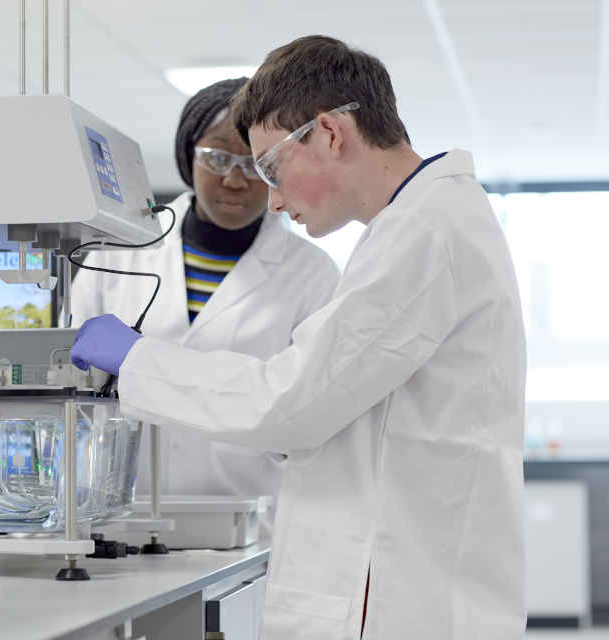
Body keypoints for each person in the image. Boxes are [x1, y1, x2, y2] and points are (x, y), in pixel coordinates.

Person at [71, 35, 526, 639]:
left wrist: (138, 362)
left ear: (330, 134)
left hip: (403, 596)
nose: (274, 199)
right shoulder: (416, 225)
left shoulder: (425, 233)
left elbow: (289, 402)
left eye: (270, 169)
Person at [70, 78, 339, 534]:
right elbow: (72, 395)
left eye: (255, 163)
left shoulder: (313, 274)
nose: (235, 179)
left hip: (249, 527)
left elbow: (308, 413)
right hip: (119, 522)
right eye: (217, 157)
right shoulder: (114, 255)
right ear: (187, 155)